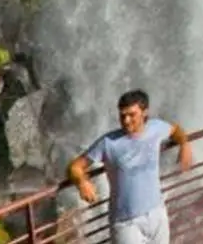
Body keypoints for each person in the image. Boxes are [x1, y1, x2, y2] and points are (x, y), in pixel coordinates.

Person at [69, 89, 193, 244]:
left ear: (144, 113)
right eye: (122, 115)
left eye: (131, 115)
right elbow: (75, 167)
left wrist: (185, 144)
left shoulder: (156, 128)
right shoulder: (108, 143)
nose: (126, 120)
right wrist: (82, 182)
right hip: (126, 223)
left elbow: (176, 130)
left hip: (157, 214)